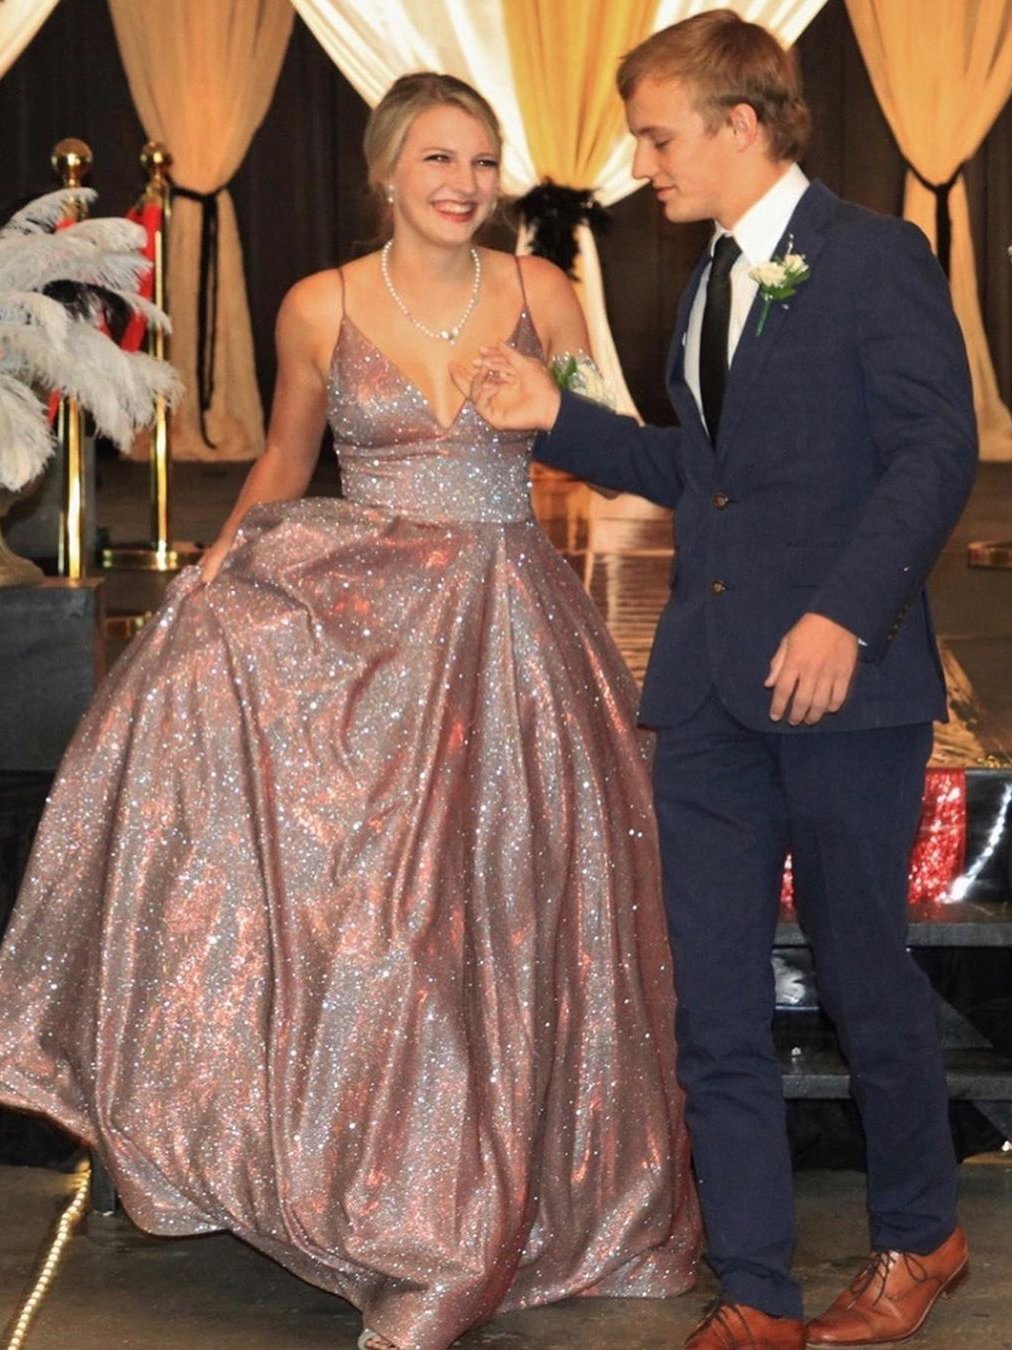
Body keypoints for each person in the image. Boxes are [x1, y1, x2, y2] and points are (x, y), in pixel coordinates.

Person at [0, 74, 700, 1350]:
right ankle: (397, 1211)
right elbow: (284, 456)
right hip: (365, 625)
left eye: (482, 161)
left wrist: (564, 415)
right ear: (386, 170)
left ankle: (492, 1215)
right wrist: (214, 572)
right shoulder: (319, 304)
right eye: (439, 158)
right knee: (387, 925)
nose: (465, 183)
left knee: (502, 919)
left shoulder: (542, 292)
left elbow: (600, 444)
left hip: (510, 634)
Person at [468, 13, 977, 1350]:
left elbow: (936, 453)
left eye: (657, 137)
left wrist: (842, 618)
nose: (642, 165)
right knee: (714, 1000)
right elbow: (705, 476)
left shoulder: (873, 256)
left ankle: (921, 1233)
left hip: (842, 690)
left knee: (865, 978)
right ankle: (755, 1287)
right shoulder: (705, 277)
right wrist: (555, 419)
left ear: (741, 124)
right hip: (703, 696)